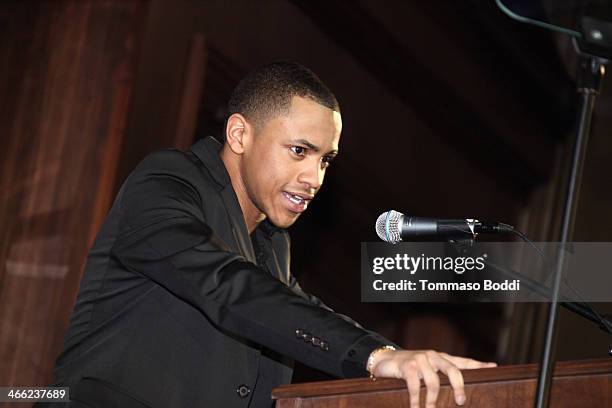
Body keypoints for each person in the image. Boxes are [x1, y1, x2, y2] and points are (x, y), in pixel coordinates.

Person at [48, 62, 495, 408]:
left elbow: (296, 311)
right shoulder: (168, 181)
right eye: (299, 151)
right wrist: (377, 357)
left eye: (324, 161)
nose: (315, 178)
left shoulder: (270, 244)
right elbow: (227, 285)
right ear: (239, 134)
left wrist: (388, 354)